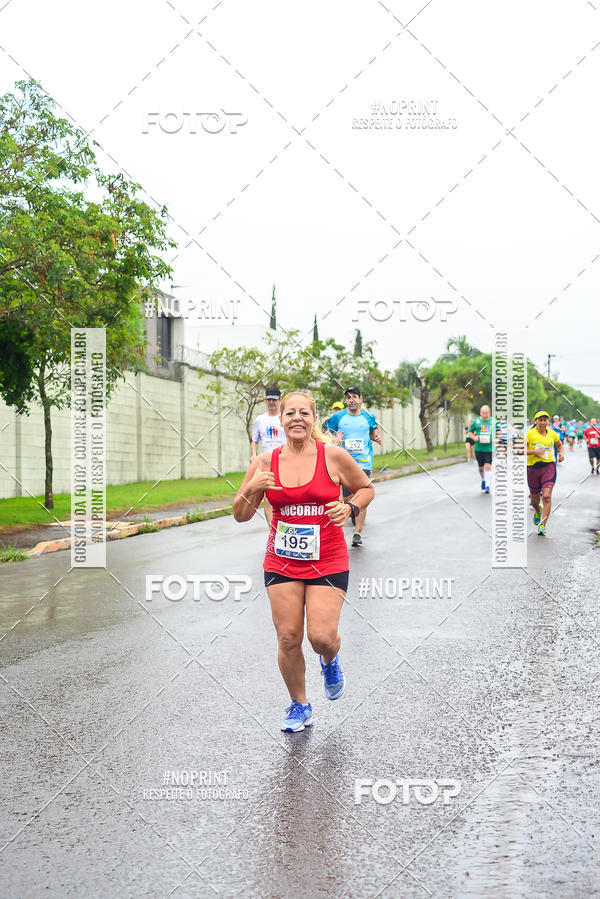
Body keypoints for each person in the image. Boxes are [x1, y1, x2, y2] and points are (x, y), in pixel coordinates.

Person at [233, 391, 374, 732]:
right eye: (290, 413)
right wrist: (252, 487)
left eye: (304, 413)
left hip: (327, 558)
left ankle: (330, 659)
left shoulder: (334, 456)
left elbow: (366, 488)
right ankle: (300, 705)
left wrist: (350, 507)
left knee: (321, 637)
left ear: (314, 419)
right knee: (288, 637)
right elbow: (239, 515)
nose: (297, 418)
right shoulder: (265, 463)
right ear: (279, 420)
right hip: (281, 560)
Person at [325, 386, 383, 547]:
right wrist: (334, 438)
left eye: (355, 397)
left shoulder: (368, 417)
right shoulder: (338, 417)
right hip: (342, 464)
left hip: (363, 463)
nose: (352, 400)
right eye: (349, 397)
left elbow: (373, 431)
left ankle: (357, 532)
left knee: (362, 494)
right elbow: (327, 434)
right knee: (343, 499)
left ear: (361, 399)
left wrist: (376, 437)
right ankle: (351, 509)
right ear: (346, 401)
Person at [251, 387, 286, 525]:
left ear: (280, 400)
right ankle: (273, 528)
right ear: (265, 400)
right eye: (269, 400)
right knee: (268, 496)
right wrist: (254, 454)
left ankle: (284, 522)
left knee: (284, 493)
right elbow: (255, 440)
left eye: (274, 400)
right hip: (267, 462)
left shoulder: (284, 417)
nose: (272, 403)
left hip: (284, 460)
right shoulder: (260, 420)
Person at [526, 410, 564, 536]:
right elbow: (518, 450)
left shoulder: (552, 433)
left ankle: (542, 524)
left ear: (548, 421)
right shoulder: (529, 434)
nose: (543, 422)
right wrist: (534, 452)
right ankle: (538, 510)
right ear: (535, 421)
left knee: (546, 496)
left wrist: (561, 453)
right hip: (532, 469)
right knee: (534, 501)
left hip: (548, 467)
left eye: (545, 420)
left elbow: (560, 444)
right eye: (540, 420)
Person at [467, 405, 499, 494]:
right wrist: (473, 437)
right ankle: (484, 479)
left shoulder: (493, 421)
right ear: (481, 413)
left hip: (490, 448)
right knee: (481, 468)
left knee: (488, 466)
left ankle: (488, 485)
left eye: (486, 413)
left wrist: (497, 439)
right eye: (483, 413)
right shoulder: (476, 421)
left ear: (489, 412)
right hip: (479, 448)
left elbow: (499, 432)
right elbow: (470, 431)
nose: (484, 415)